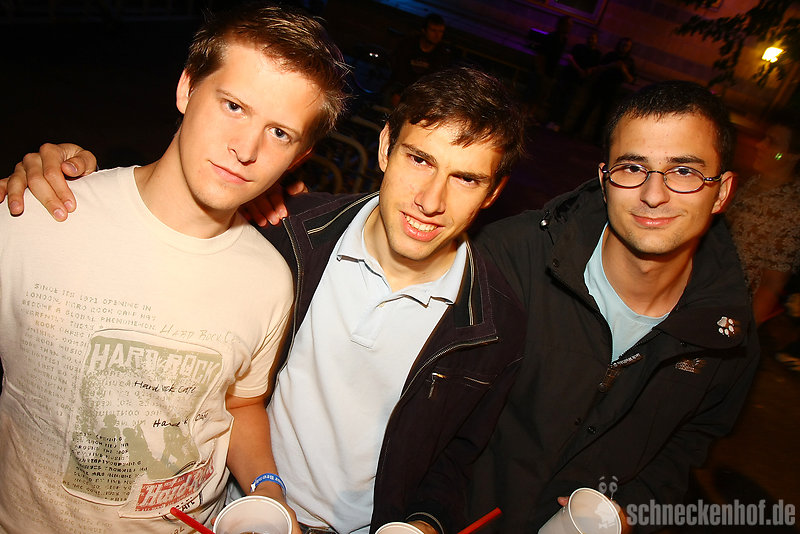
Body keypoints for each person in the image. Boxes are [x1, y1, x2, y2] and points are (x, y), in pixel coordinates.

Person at [0, 67, 527, 534]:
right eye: (419, 159)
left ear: (494, 192)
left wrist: (425, 524)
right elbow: (174, 202)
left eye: (466, 178)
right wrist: (68, 176)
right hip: (243, 512)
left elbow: (457, 457)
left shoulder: (495, 323)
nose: (431, 200)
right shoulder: (288, 234)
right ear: (386, 146)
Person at [0, 3, 347, 533]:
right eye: (234, 106)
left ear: (299, 157)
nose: (246, 149)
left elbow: (240, 405)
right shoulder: (38, 217)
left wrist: (267, 491)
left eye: (280, 133)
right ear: (187, 89)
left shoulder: (270, 279)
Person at [467, 80, 759, 532]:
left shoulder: (727, 336)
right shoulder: (509, 259)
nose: (654, 194)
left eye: (684, 171)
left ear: (721, 192)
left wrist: (632, 511)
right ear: (605, 181)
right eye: (633, 167)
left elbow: (689, 443)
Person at [725, 114, 800, 325]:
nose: (760, 145)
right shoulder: (751, 181)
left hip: (728, 308)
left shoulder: (792, 210)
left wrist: (742, 334)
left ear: (792, 156)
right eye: (764, 138)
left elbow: (771, 284)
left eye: (772, 142)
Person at [384, 13, 450, 108]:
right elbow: (399, 70)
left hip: (421, 92)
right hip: (400, 86)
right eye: (433, 30)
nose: (437, 35)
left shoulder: (441, 54)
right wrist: (400, 92)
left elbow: (435, 77)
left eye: (440, 32)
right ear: (424, 30)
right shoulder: (408, 45)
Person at [544, 31, 602, 132]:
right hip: (568, 76)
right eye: (589, 38)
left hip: (578, 81)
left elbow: (596, 67)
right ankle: (551, 120)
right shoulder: (579, 47)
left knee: (567, 102)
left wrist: (588, 72)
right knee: (558, 99)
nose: (590, 40)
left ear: (596, 41)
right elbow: (570, 58)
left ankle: (558, 123)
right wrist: (580, 70)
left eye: (593, 38)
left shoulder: (597, 54)